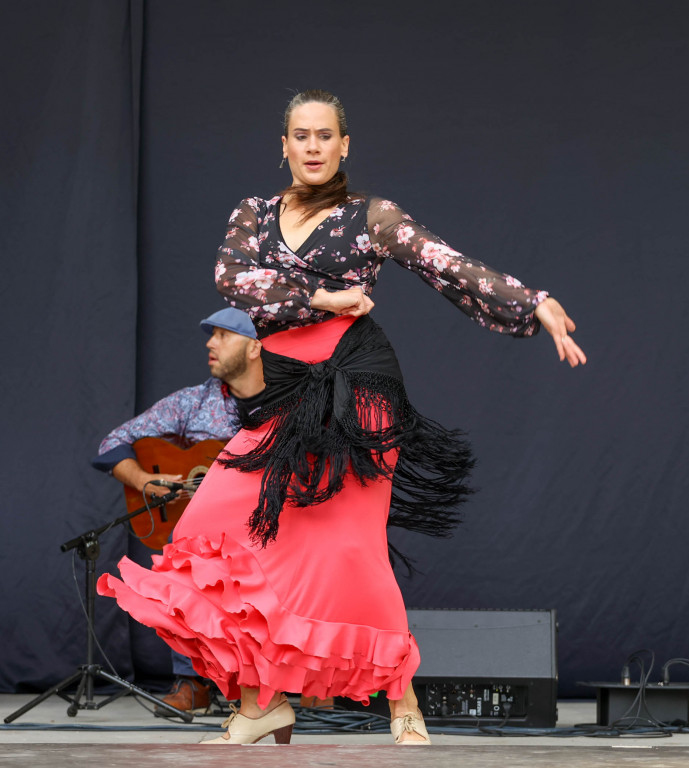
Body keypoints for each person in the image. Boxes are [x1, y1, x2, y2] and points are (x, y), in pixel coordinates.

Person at [98, 89, 587, 746]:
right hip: (284, 386)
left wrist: (534, 303)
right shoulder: (253, 213)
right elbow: (233, 280)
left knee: (348, 546)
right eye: (301, 135)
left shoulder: (370, 217)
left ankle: (401, 697)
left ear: (344, 144)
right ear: (284, 146)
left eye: (325, 136)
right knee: (218, 526)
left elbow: (444, 264)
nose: (313, 147)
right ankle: (262, 699)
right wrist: (320, 295)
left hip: (356, 383)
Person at [92, 308, 265, 715]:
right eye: (211, 335)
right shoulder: (194, 402)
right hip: (204, 534)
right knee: (181, 557)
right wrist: (142, 481)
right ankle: (192, 683)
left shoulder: (288, 404)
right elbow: (112, 443)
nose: (210, 343)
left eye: (223, 335)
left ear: (256, 347)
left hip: (265, 530)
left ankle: (280, 684)